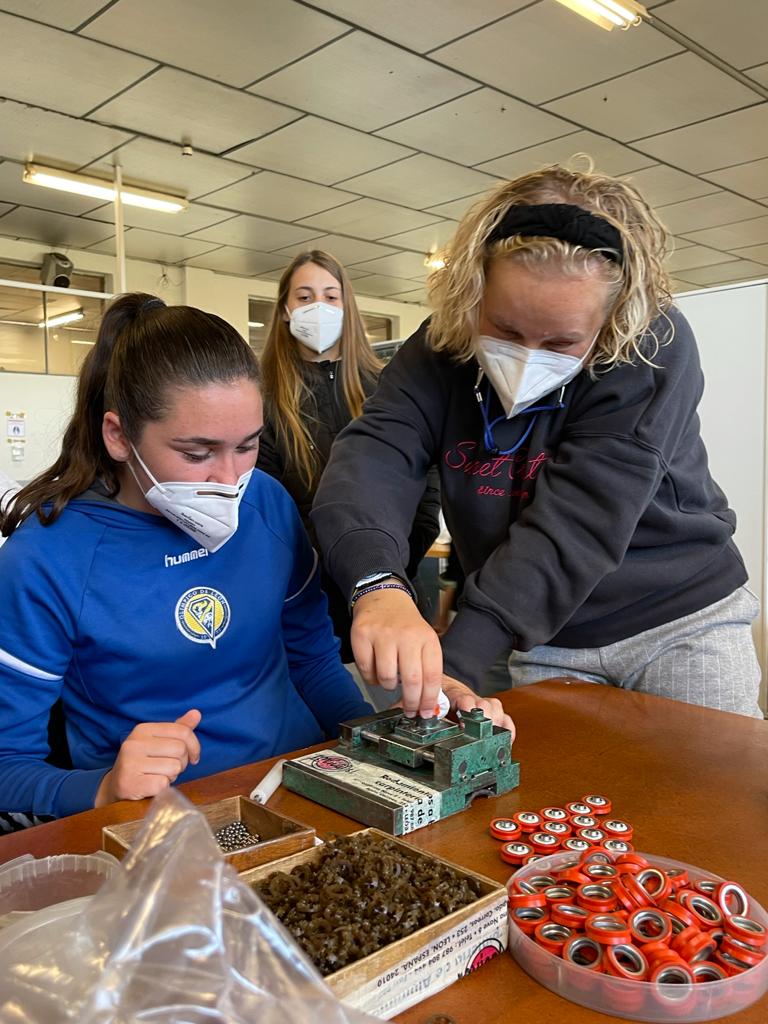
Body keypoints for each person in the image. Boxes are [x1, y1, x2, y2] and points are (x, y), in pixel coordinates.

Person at [311, 164, 763, 729]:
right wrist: (376, 584)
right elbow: (375, 454)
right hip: (549, 637)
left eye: (561, 341)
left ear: (613, 320)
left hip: (678, 621)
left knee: (713, 798)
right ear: (471, 292)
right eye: (504, 329)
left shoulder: (652, 347)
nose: (526, 357)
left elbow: (578, 521)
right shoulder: (437, 345)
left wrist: (460, 658)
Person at [0, 293, 370, 824]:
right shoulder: (45, 560)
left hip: (301, 786)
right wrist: (102, 790)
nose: (229, 480)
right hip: (169, 825)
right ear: (120, 437)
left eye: (246, 446)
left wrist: (376, 745)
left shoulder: (265, 502)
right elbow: (9, 767)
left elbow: (312, 659)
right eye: (196, 454)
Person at [257, 250, 440, 663]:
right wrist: (328, 564)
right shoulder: (263, 396)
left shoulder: (389, 388)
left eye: (330, 296)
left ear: (348, 307)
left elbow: (424, 484)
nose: (317, 306)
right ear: (285, 310)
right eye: (304, 297)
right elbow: (266, 501)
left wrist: (381, 567)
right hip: (303, 601)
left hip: (394, 590)